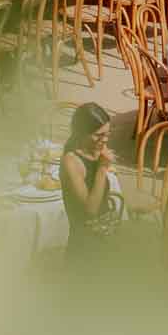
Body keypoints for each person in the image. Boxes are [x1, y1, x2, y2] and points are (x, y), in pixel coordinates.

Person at [59, 103, 120, 254]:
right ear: (81, 133)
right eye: (99, 135)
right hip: (87, 244)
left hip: (104, 230)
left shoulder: (94, 148)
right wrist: (102, 168)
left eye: (107, 133)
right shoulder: (71, 161)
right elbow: (90, 211)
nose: (105, 140)